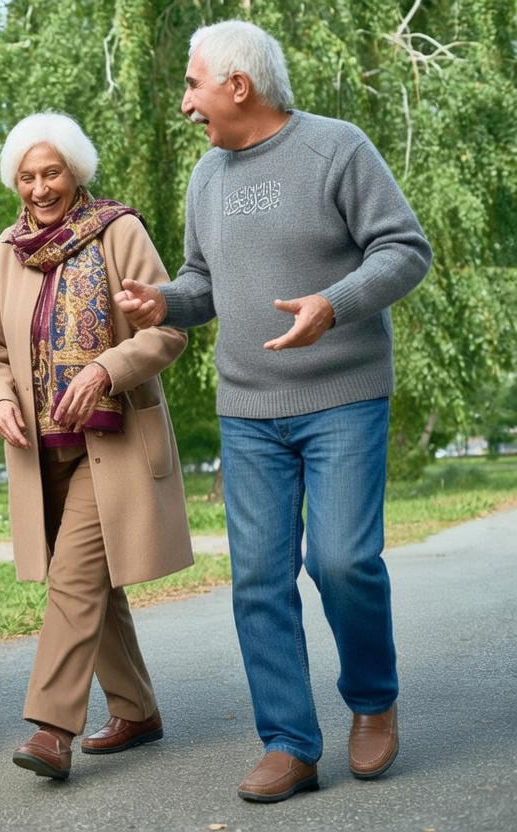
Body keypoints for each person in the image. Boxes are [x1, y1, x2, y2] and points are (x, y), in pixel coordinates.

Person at [115, 20, 433, 803]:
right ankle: (289, 741)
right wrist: (163, 302)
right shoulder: (206, 180)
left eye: (193, 85)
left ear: (237, 85)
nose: (186, 102)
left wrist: (334, 302)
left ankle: (372, 700)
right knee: (258, 579)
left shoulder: (337, 148)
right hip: (248, 409)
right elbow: (202, 284)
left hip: (343, 397)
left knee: (340, 560)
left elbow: (404, 249)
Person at [0, 112, 195, 781]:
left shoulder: (118, 230)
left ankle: (49, 729)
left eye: (53, 172)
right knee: (93, 583)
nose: (40, 188)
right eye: (28, 175)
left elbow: (168, 328)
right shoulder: (8, 250)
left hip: (113, 441)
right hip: (41, 449)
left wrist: (105, 368)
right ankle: (136, 709)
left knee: (72, 577)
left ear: (77, 173)